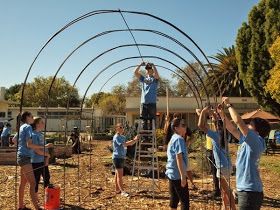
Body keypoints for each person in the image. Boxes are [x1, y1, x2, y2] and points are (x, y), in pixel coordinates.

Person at [218, 97, 270, 210]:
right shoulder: (248, 140)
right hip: (248, 191)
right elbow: (232, 129)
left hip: (249, 192)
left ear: (257, 131)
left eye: (250, 124)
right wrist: (222, 114)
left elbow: (238, 121)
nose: (246, 126)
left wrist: (229, 105)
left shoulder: (255, 140)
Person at [197, 106, 236, 210]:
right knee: (224, 190)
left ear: (216, 126)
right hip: (227, 165)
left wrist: (203, 112)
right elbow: (217, 121)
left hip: (222, 167)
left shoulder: (215, 135)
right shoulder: (225, 134)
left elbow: (200, 125)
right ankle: (225, 207)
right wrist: (214, 112)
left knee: (227, 190)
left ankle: (233, 208)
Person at [17, 111, 53, 210]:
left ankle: (20, 206)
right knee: (33, 183)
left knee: (23, 183)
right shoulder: (28, 127)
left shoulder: (21, 127)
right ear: (27, 117)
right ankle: (37, 207)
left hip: (22, 156)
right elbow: (30, 145)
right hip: (25, 158)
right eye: (32, 116)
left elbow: (15, 140)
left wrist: (21, 146)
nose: (33, 118)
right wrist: (44, 146)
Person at [166, 118, 189, 210]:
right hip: (177, 174)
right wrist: (183, 176)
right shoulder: (179, 139)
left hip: (171, 173)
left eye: (185, 125)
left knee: (174, 200)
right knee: (185, 202)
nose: (185, 127)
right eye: (182, 125)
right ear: (176, 128)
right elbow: (178, 158)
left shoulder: (173, 138)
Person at [112, 123, 139, 197]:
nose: (122, 128)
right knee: (120, 175)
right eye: (120, 127)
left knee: (117, 174)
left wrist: (135, 140)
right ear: (116, 128)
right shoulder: (116, 137)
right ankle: (122, 192)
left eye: (122, 127)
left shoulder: (123, 137)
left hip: (122, 157)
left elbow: (128, 144)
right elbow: (124, 144)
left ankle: (117, 189)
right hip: (117, 158)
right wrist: (134, 140)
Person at [31, 117, 51, 203]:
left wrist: (46, 158)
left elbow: (44, 148)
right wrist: (47, 155)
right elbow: (36, 150)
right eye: (42, 122)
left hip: (43, 161)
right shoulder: (34, 135)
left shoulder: (41, 134)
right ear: (37, 124)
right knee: (36, 180)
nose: (44, 124)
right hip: (35, 161)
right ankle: (35, 198)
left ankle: (48, 196)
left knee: (47, 178)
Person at [134, 62, 159, 130]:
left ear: (152, 70)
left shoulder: (154, 79)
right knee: (143, 121)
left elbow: (157, 75)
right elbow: (135, 72)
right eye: (147, 69)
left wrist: (153, 65)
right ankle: (144, 138)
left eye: (149, 69)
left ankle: (151, 137)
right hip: (143, 103)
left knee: (152, 121)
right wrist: (140, 65)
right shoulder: (143, 79)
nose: (148, 70)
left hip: (152, 103)